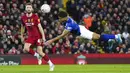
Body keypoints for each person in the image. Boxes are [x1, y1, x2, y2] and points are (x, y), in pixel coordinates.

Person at [45, 11, 122, 46]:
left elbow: (61, 35)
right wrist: (67, 39)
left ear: (64, 18)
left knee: (99, 37)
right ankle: (110, 39)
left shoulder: (69, 24)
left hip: (82, 32)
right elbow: (66, 32)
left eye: (60, 18)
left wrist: (51, 41)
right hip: (80, 28)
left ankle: (115, 36)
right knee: (98, 37)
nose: (59, 19)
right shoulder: (67, 18)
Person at [21, 3, 54, 71]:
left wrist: (43, 36)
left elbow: (40, 27)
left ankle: (51, 64)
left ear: (32, 9)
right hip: (30, 36)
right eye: (27, 7)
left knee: (40, 52)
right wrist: (22, 36)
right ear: (25, 9)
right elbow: (22, 27)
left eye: (30, 7)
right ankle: (38, 56)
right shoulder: (23, 18)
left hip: (37, 36)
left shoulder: (35, 16)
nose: (28, 9)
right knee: (25, 49)